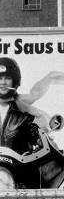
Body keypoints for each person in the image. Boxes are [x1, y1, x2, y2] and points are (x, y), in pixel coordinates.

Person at [0, 58, 42, 189]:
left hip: (18, 177)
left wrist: (44, 139)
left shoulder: (26, 115)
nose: (3, 82)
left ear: (14, 81)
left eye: (7, 78)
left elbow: (40, 139)